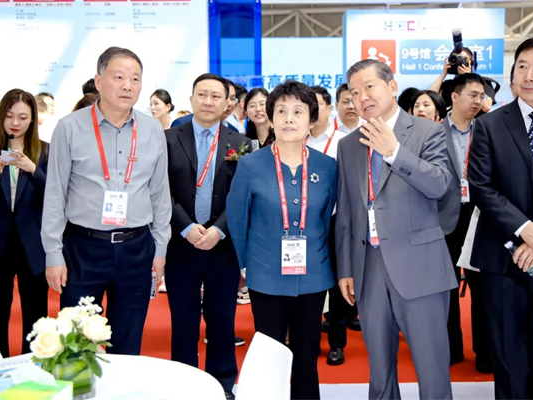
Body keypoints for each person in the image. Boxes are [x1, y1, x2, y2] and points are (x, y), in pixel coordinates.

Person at [336, 59, 455, 399]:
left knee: (432, 369)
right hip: (369, 267)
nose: (362, 97)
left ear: (392, 86)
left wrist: (395, 152)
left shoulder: (427, 131)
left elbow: (440, 185)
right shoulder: (348, 144)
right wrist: (346, 268)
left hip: (420, 265)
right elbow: (346, 211)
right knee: (380, 371)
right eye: (354, 92)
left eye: (369, 87)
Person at [42, 47, 171, 355]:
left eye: (135, 79)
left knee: (128, 340)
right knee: (76, 342)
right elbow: (55, 193)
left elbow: (159, 192)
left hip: (137, 247)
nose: (128, 85)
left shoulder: (152, 129)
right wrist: (53, 254)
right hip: (83, 247)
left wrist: (160, 248)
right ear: (99, 81)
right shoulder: (70, 127)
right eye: (119, 77)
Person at [469, 37, 533, 399]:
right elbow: (481, 187)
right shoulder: (489, 125)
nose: (530, 75)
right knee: (508, 354)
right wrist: (525, 230)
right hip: (502, 257)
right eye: (522, 66)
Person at [227, 80, 337, 399]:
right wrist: (245, 266)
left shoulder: (328, 167)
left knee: (307, 355)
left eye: (298, 112)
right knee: (270, 356)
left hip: (313, 274)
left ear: (311, 120)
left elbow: (328, 218)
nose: (289, 118)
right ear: (271, 119)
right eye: (282, 111)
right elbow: (238, 218)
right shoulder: (250, 164)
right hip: (265, 274)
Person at [164, 73, 250, 400]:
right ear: (191, 99)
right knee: (183, 319)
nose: (208, 101)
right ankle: (183, 384)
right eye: (202, 94)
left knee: (222, 320)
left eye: (216, 96)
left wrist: (219, 229)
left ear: (227, 103)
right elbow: (160, 190)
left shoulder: (239, 143)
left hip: (222, 246)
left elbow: (241, 194)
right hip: (180, 242)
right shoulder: (168, 139)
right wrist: (186, 227)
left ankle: (223, 384)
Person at [0, 89, 48, 357]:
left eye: (22, 117)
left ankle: (34, 369)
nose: (15, 122)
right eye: (9, 116)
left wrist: (32, 169)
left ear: (33, 119)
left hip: (34, 243)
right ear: (0, 118)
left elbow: (54, 194)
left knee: (36, 316)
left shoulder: (44, 151)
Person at [436, 73, 492, 373]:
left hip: (481, 215)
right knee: (446, 286)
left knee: (482, 287)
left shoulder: (489, 129)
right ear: (454, 97)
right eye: (472, 95)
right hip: (444, 217)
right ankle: (450, 348)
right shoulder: (433, 132)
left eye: (481, 96)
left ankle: (485, 352)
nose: (478, 101)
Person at [307, 86, 355, 366]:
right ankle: (310, 338)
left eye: (318, 104)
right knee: (308, 286)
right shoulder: (295, 140)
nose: (313, 110)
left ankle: (337, 343)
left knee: (338, 285)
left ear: (329, 108)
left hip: (336, 222)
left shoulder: (343, 142)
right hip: (303, 223)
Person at [171, 79, 240, 133]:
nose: (229, 103)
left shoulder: (233, 130)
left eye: (232, 98)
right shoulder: (181, 123)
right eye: (215, 96)